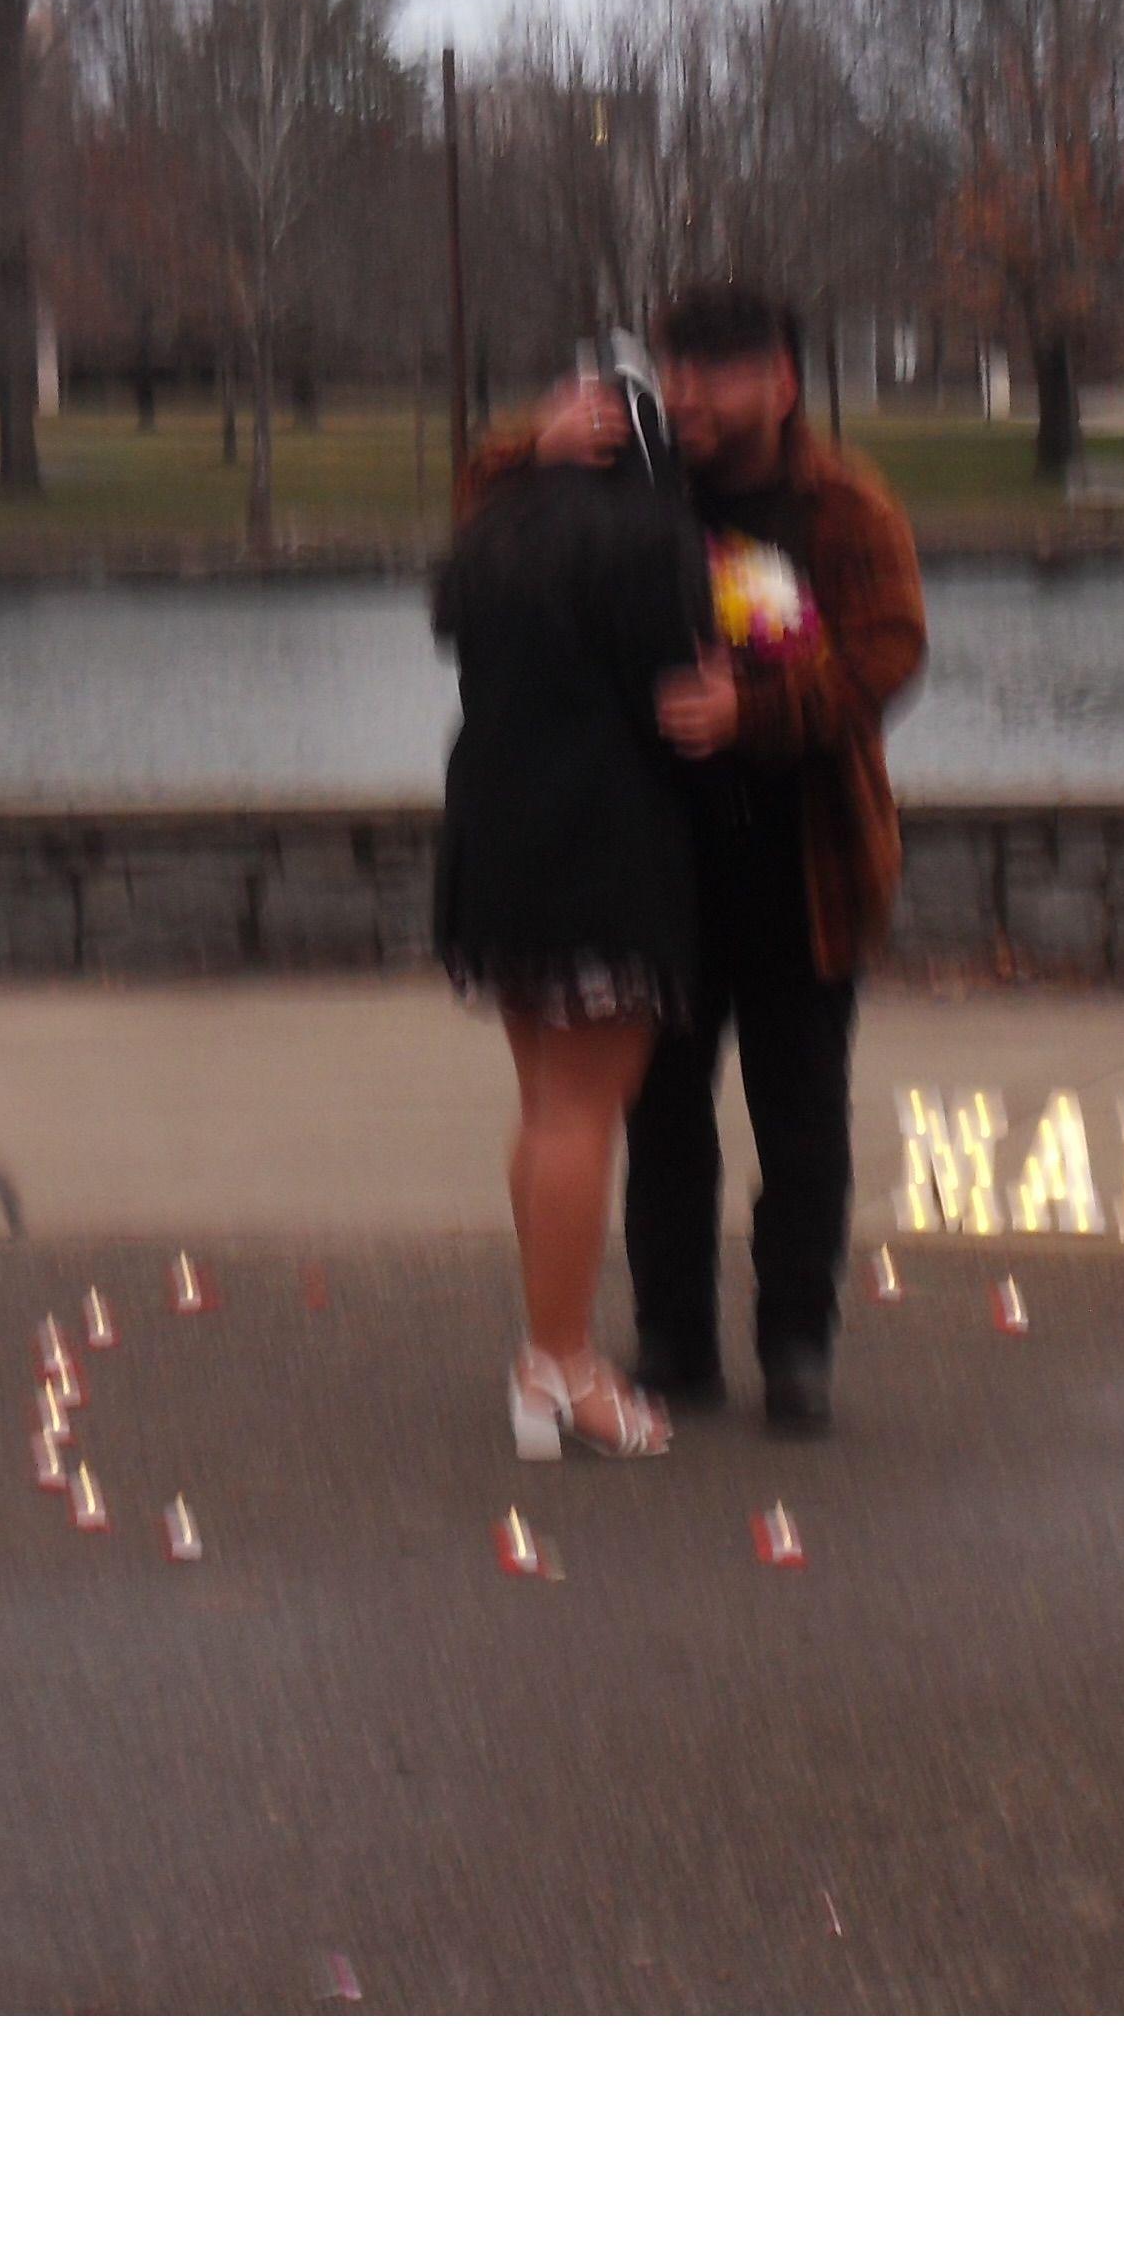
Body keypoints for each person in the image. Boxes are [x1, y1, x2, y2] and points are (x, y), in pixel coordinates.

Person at [504, 282, 927, 1435]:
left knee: (802, 1124)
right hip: (660, 862)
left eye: (715, 372)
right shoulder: (635, 486)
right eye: (675, 369)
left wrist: (758, 712)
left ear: (782, 383)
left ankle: (798, 1346)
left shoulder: (846, 507)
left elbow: (887, 656)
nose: (685, 395)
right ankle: (676, 1341)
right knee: (663, 1123)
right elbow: (491, 541)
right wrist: (526, 451)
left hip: (805, 868)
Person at [431, 352, 713, 1460]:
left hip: (494, 846)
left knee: (545, 1103)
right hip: (605, 851)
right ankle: (559, 1368)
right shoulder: (653, 546)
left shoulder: (492, 538)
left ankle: (549, 1354)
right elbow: (682, 697)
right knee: (584, 1112)